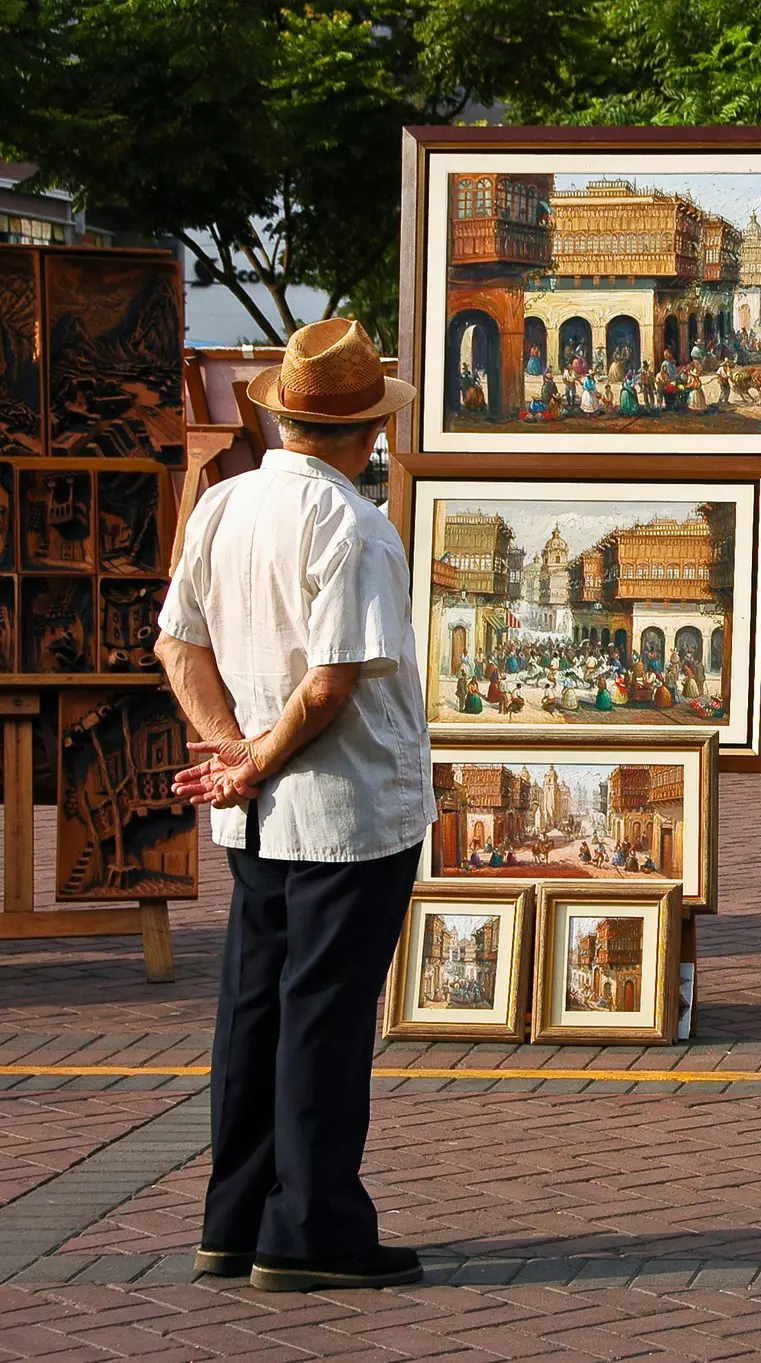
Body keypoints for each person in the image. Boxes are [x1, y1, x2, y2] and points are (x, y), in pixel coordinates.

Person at [154, 319, 432, 1293]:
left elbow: (177, 643)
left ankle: (234, 1217)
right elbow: (332, 683)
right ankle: (309, 1226)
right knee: (322, 1016)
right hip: (348, 809)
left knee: (254, 1008)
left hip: (259, 811)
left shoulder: (224, 503)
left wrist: (232, 752)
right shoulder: (355, 524)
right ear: (369, 432)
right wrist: (258, 754)